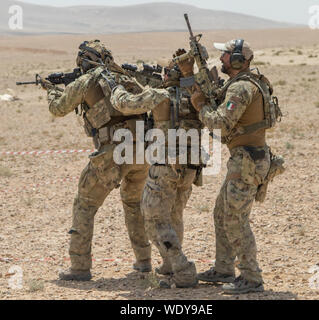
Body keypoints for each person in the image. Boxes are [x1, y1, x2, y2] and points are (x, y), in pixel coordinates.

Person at [42, 39, 170, 281]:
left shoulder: (87, 80)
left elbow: (57, 109)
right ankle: (144, 262)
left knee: (85, 203)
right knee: (134, 205)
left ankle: (79, 267)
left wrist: (52, 91)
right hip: (141, 151)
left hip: (113, 153)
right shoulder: (125, 78)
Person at [178, 39, 283, 294]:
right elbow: (215, 98)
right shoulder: (240, 84)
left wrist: (200, 106)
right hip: (245, 158)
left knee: (235, 219)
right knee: (221, 212)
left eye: (225, 55)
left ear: (238, 60)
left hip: (247, 160)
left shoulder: (242, 89)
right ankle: (224, 267)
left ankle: (251, 277)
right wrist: (192, 76)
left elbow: (220, 124)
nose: (222, 59)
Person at [110, 51, 205, 288]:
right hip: (190, 166)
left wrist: (117, 87)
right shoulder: (193, 95)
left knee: (153, 220)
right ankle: (170, 264)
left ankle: (182, 269)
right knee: (174, 215)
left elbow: (125, 104)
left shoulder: (159, 95)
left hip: (165, 167)